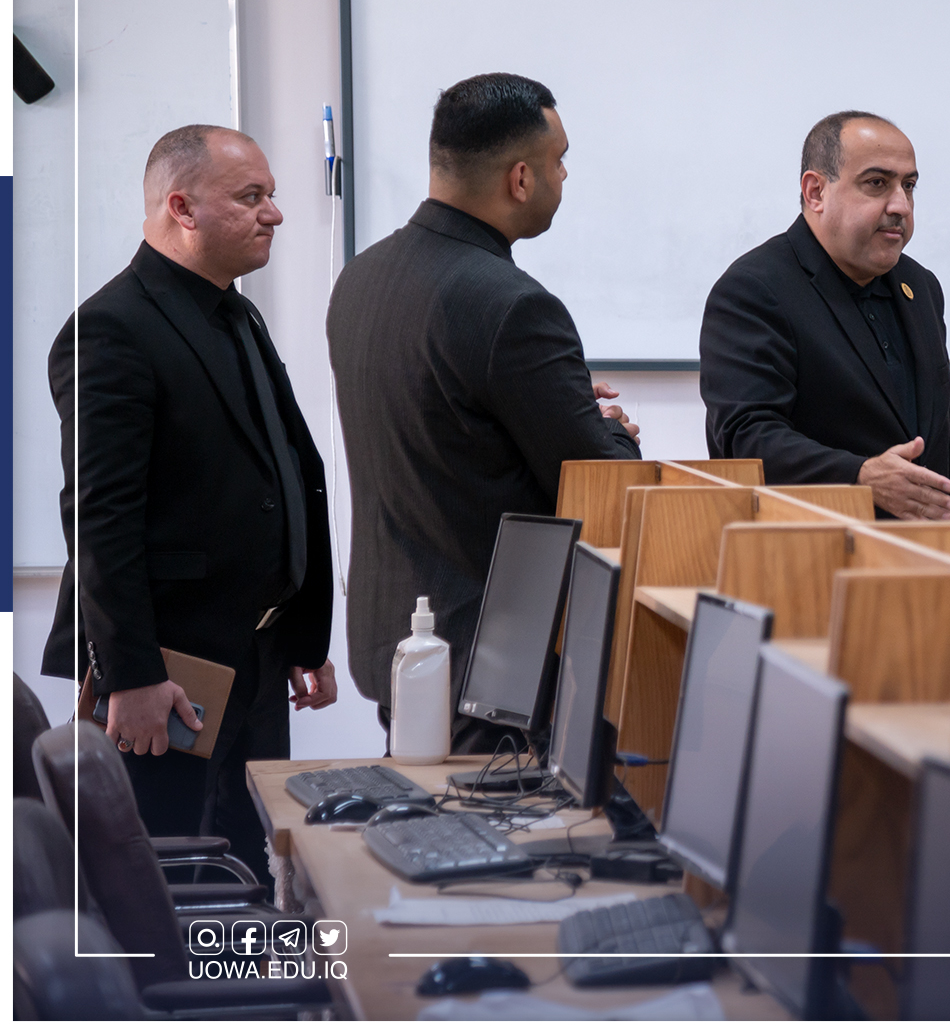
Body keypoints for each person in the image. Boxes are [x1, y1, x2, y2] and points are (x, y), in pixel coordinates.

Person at [43, 125, 337, 881]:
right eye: (252, 196)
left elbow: (276, 474)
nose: (274, 213)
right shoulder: (111, 328)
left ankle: (252, 961)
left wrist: (301, 637)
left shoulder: (236, 311)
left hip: (256, 654)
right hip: (170, 670)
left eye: (272, 195)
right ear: (182, 207)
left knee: (247, 854)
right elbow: (99, 519)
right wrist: (131, 674)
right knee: (172, 869)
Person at [328, 73, 639, 754]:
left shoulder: (362, 277)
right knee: (495, 826)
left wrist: (552, 404)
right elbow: (599, 479)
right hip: (488, 665)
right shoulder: (513, 305)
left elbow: (449, 426)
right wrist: (612, 431)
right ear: (521, 178)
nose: (564, 175)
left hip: (401, 644)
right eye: (559, 161)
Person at [700, 111, 950, 521]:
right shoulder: (754, 289)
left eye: (909, 186)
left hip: (924, 550)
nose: (901, 205)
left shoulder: (920, 287)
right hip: (808, 548)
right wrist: (859, 476)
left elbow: (941, 446)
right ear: (816, 192)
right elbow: (745, 440)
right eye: (877, 183)